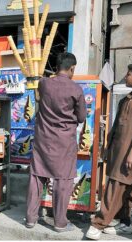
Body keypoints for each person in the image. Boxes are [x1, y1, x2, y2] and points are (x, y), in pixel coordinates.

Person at [86, 63, 132, 240]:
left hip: (131, 152)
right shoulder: (125, 99)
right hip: (117, 150)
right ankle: (125, 222)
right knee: (126, 187)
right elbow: (115, 128)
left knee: (116, 186)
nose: (126, 77)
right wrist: (107, 148)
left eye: (129, 74)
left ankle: (98, 224)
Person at [25, 52, 87, 232]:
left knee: (37, 176)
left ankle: (30, 218)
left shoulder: (44, 84)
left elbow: (40, 91)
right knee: (63, 181)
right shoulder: (76, 89)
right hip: (64, 142)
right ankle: (59, 223)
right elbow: (82, 117)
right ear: (72, 68)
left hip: (43, 139)